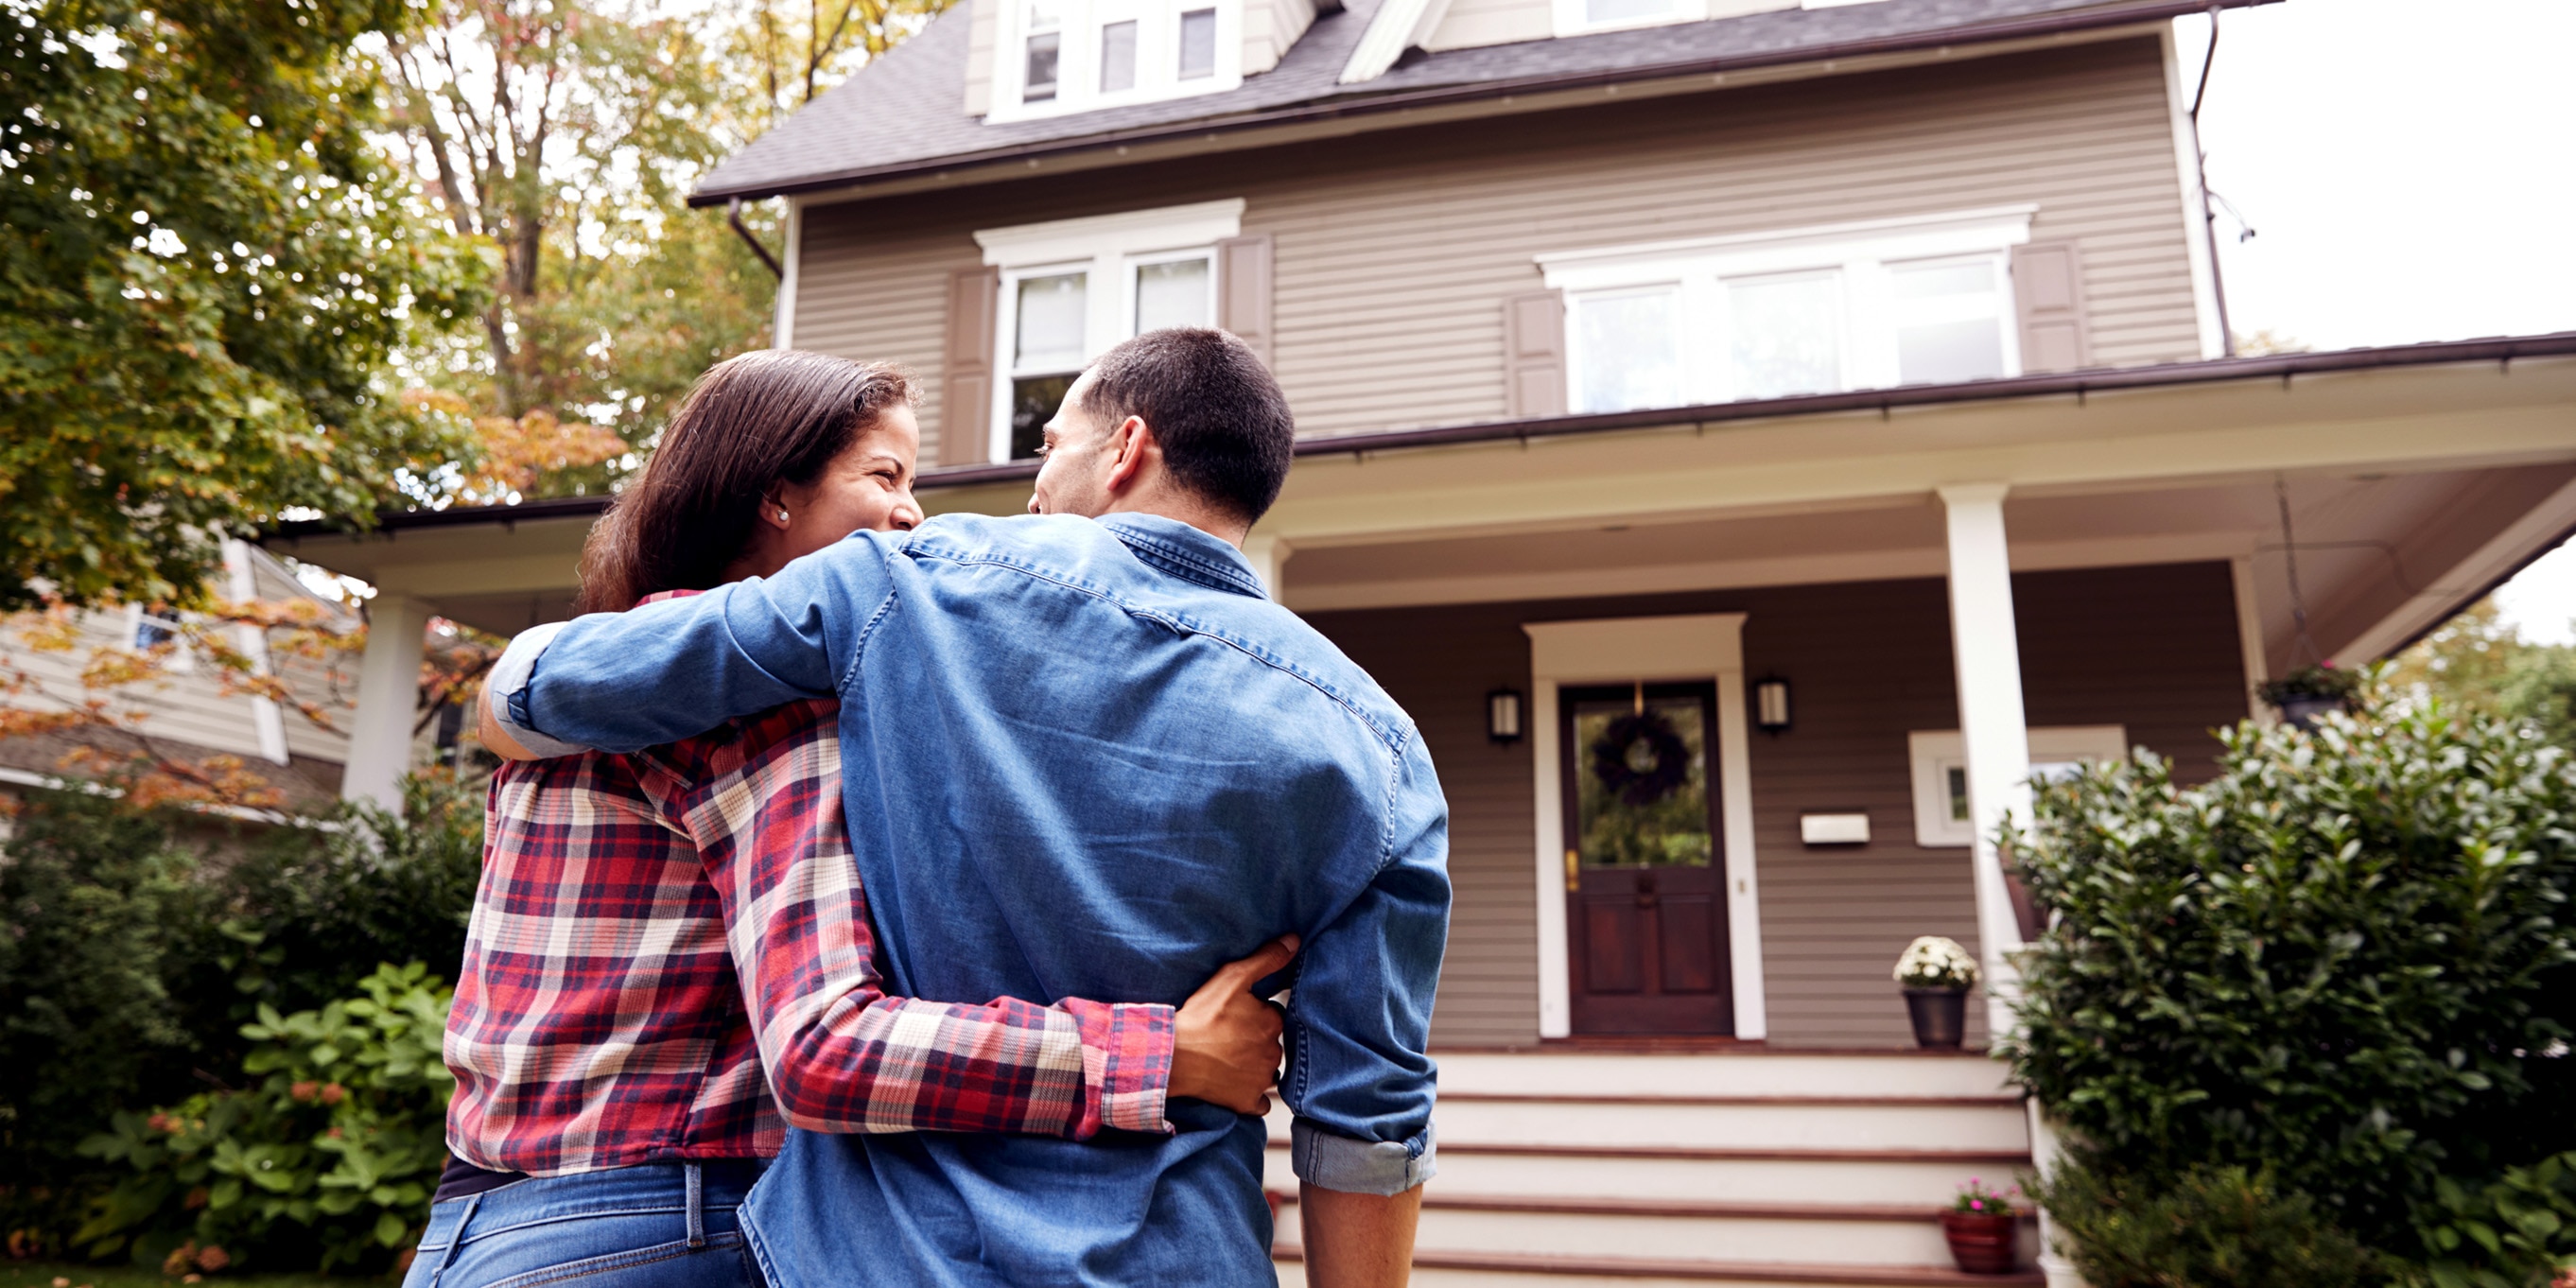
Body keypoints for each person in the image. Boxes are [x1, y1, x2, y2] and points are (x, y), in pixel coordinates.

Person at [482, 328, 1448, 1288]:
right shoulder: (1382, 750)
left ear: (1125, 450)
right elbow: (1368, 1120)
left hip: (891, 1259)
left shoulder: (903, 586)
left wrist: (508, 691)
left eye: (1051, 444)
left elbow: (562, 683)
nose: (1032, 482)